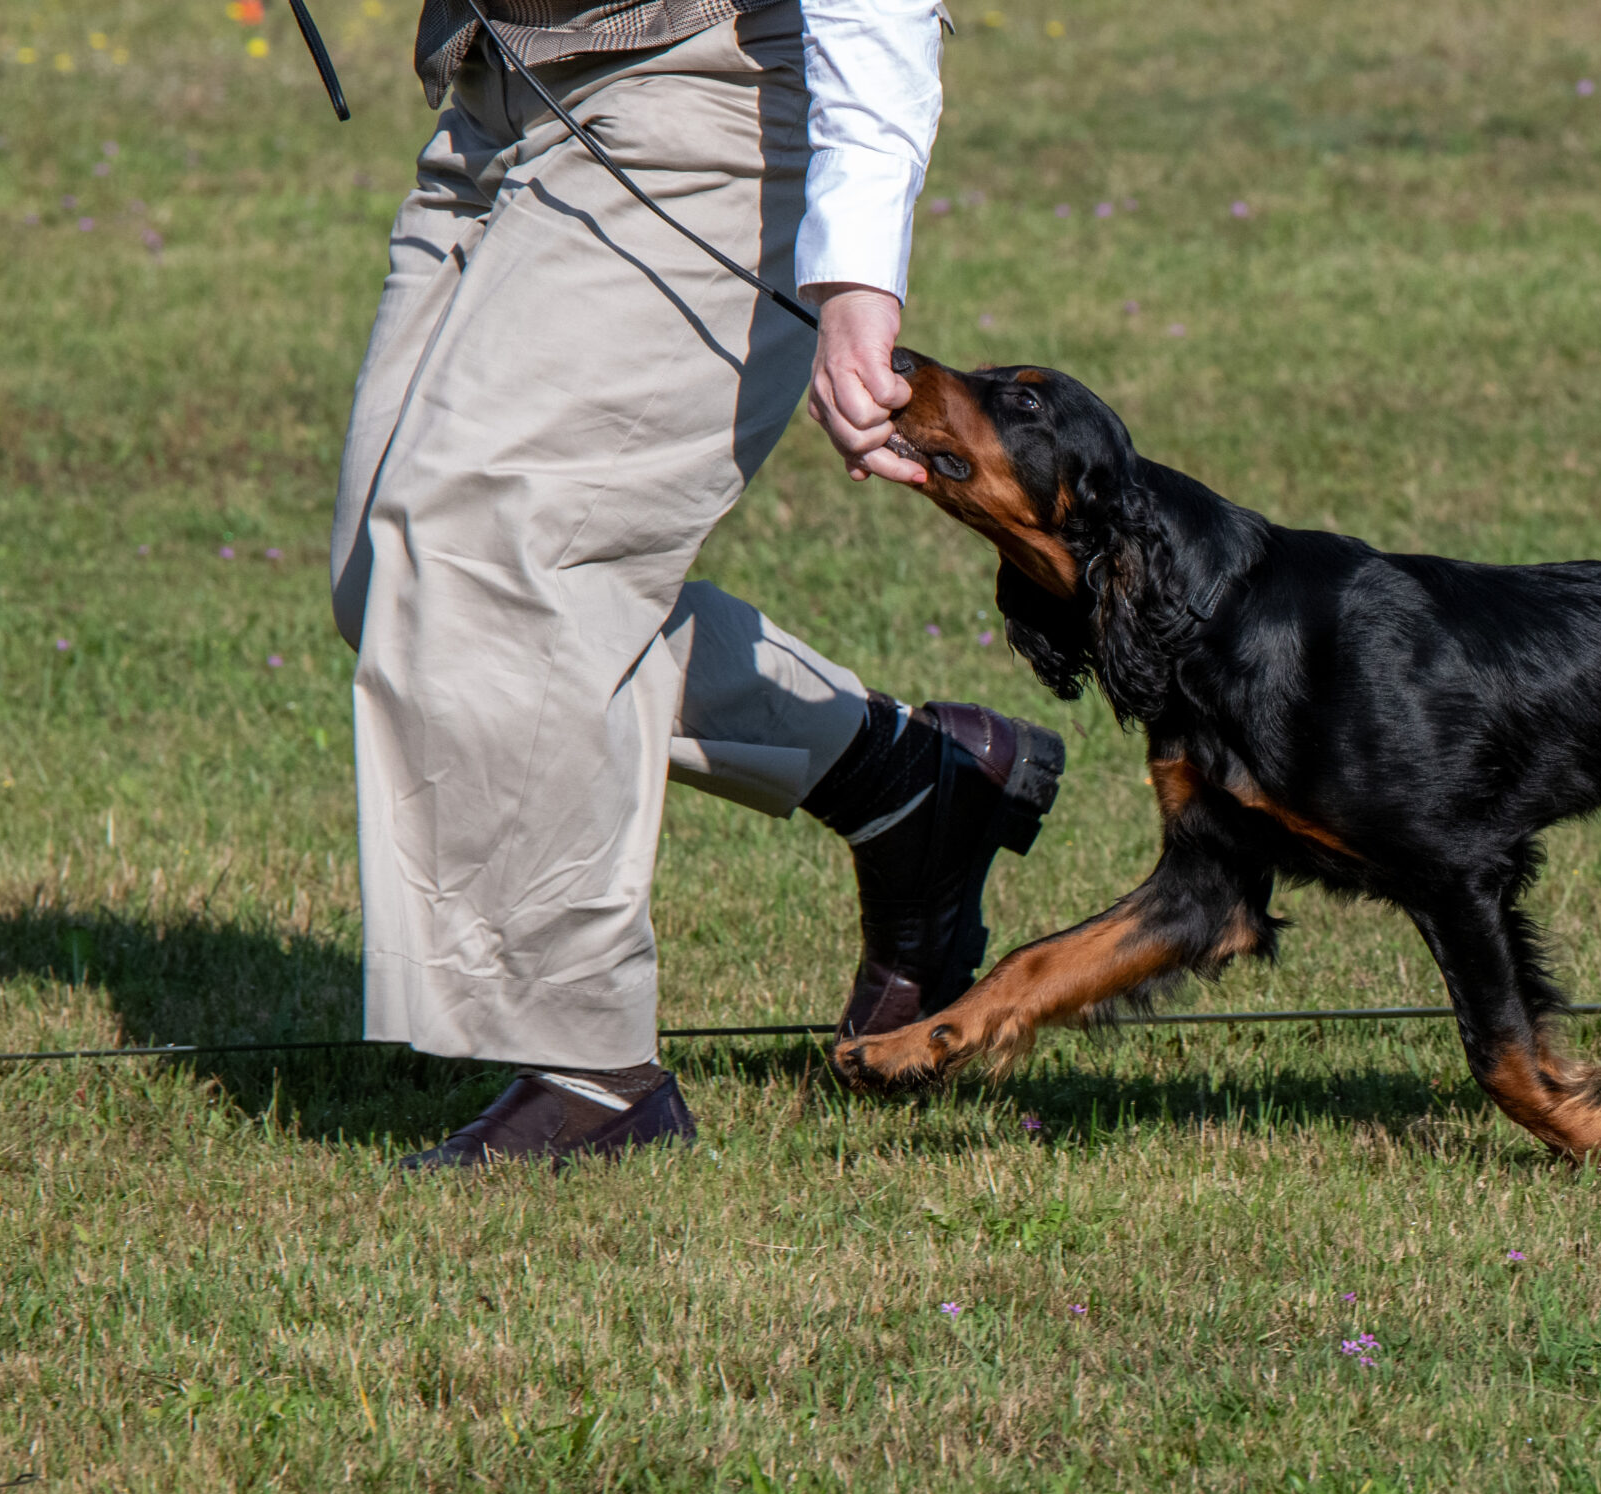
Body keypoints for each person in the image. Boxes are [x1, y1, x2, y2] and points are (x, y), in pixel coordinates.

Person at [327, 0, 1060, 1168]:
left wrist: (855, 273)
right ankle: (907, 783)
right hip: (498, 90)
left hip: (705, 94)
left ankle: (594, 1076)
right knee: (396, 584)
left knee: (495, 558)